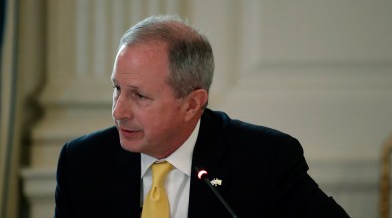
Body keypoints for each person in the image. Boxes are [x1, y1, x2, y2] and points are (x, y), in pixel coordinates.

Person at [54, 15, 349, 218]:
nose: (119, 112)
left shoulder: (264, 162)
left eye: (139, 96)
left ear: (192, 104)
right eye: (117, 89)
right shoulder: (82, 163)